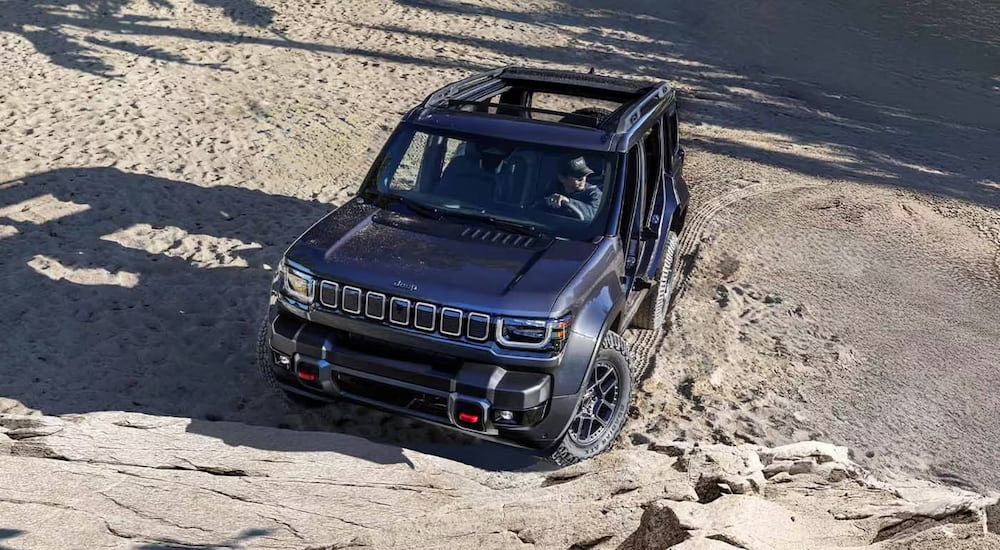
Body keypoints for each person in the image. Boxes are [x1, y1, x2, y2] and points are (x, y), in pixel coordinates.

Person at [540, 156, 602, 222]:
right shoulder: (553, 189)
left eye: (585, 174)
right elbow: (536, 206)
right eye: (577, 176)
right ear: (562, 178)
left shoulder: (594, 194)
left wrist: (569, 202)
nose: (583, 179)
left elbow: (593, 215)